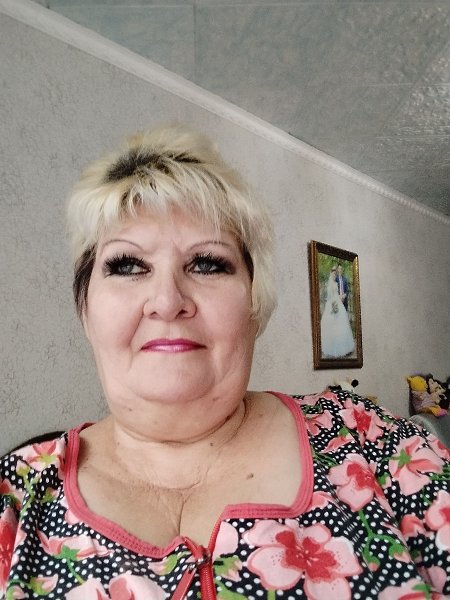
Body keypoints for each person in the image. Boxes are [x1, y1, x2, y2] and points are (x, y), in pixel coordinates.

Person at [1, 124, 449, 600]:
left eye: (207, 263)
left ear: (255, 306)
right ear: (86, 311)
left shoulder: (375, 444)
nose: (167, 301)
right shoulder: (17, 497)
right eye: (127, 265)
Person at [320, 266, 355, 358]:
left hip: (338, 302)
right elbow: (329, 296)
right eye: (333, 273)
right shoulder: (330, 284)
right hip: (332, 303)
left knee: (341, 324)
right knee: (332, 324)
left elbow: (337, 293)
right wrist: (333, 304)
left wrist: (340, 297)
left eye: (335, 273)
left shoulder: (336, 283)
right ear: (331, 273)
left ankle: (344, 347)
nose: (334, 275)